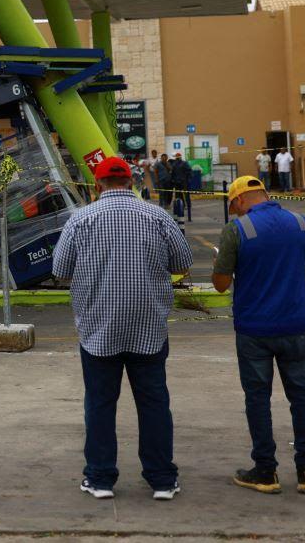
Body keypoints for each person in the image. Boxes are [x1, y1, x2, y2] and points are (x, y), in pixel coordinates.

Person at [51, 157, 193, 501]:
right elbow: (183, 263)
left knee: (100, 404)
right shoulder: (158, 217)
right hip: (149, 327)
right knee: (154, 403)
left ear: (97, 184)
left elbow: (60, 270)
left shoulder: (80, 220)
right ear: (131, 181)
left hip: (98, 328)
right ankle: (162, 479)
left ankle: (100, 478)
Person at [211, 175, 305, 495]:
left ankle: (265, 471)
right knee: (302, 397)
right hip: (295, 327)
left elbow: (220, 284)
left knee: (258, 399)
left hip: (254, 331)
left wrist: (220, 263)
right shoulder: (302, 224)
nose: (235, 214)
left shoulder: (237, 230)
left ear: (240, 200)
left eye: (234, 207)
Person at [169, 153, 192, 223]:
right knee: (178, 195)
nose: (176, 158)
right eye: (176, 157)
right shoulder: (174, 164)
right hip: (177, 182)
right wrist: (172, 180)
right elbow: (172, 173)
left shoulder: (184, 163)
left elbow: (189, 171)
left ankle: (188, 206)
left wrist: (188, 179)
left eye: (177, 157)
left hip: (184, 181)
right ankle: (180, 206)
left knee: (186, 195)